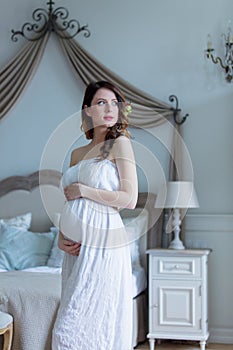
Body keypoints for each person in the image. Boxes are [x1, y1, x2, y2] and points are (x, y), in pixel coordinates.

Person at [52, 81, 138, 350]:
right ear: (88, 110)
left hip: (104, 242)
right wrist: (60, 238)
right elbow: (70, 203)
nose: (109, 108)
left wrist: (85, 190)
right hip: (75, 249)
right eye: (101, 102)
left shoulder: (120, 144)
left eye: (114, 103)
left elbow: (129, 198)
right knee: (74, 322)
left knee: (77, 326)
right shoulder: (77, 154)